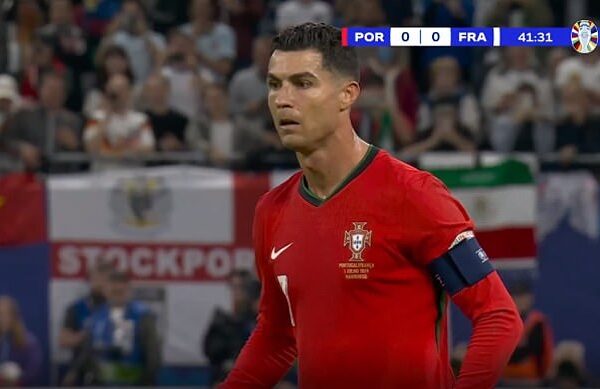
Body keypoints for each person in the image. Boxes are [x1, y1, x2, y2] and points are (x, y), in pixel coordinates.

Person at [222, 23, 523, 388]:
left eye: (302, 83)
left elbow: (498, 315)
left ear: (347, 95)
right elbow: (277, 335)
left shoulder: (413, 194)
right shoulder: (271, 210)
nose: (283, 99)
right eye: (274, 84)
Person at [70, 270, 161, 386]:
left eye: (121, 292)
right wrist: (74, 372)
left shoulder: (143, 316)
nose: (117, 296)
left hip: (135, 383)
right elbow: (87, 350)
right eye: (114, 292)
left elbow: (153, 355)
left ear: (129, 291)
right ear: (106, 291)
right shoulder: (97, 315)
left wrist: (147, 381)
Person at [60, 261, 113, 386]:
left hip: (113, 371)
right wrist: (89, 333)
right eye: (96, 279)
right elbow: (63, 340)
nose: (100, 284)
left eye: (105, 280)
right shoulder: (76, 308)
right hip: (82, 372)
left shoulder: (121, 308)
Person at [203, 270, 260, 385]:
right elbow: (211, 352)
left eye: (242, 287)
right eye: (234, 287)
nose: (237, 292)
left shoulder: (256, 320)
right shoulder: (221, 320)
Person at [502, 279, 554, 387]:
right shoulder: (502, 321)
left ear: (530, 299)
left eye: (523, 297)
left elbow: (536, 349)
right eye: (517, 296)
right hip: (504, 379)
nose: (520, 301)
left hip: (531, 380)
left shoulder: (537, 322)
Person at [0, 296, 43, 386]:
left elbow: (32, 372)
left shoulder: (29, 342)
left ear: (14, 317)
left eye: (4, 314)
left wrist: (16, 379)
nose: (1, 319)